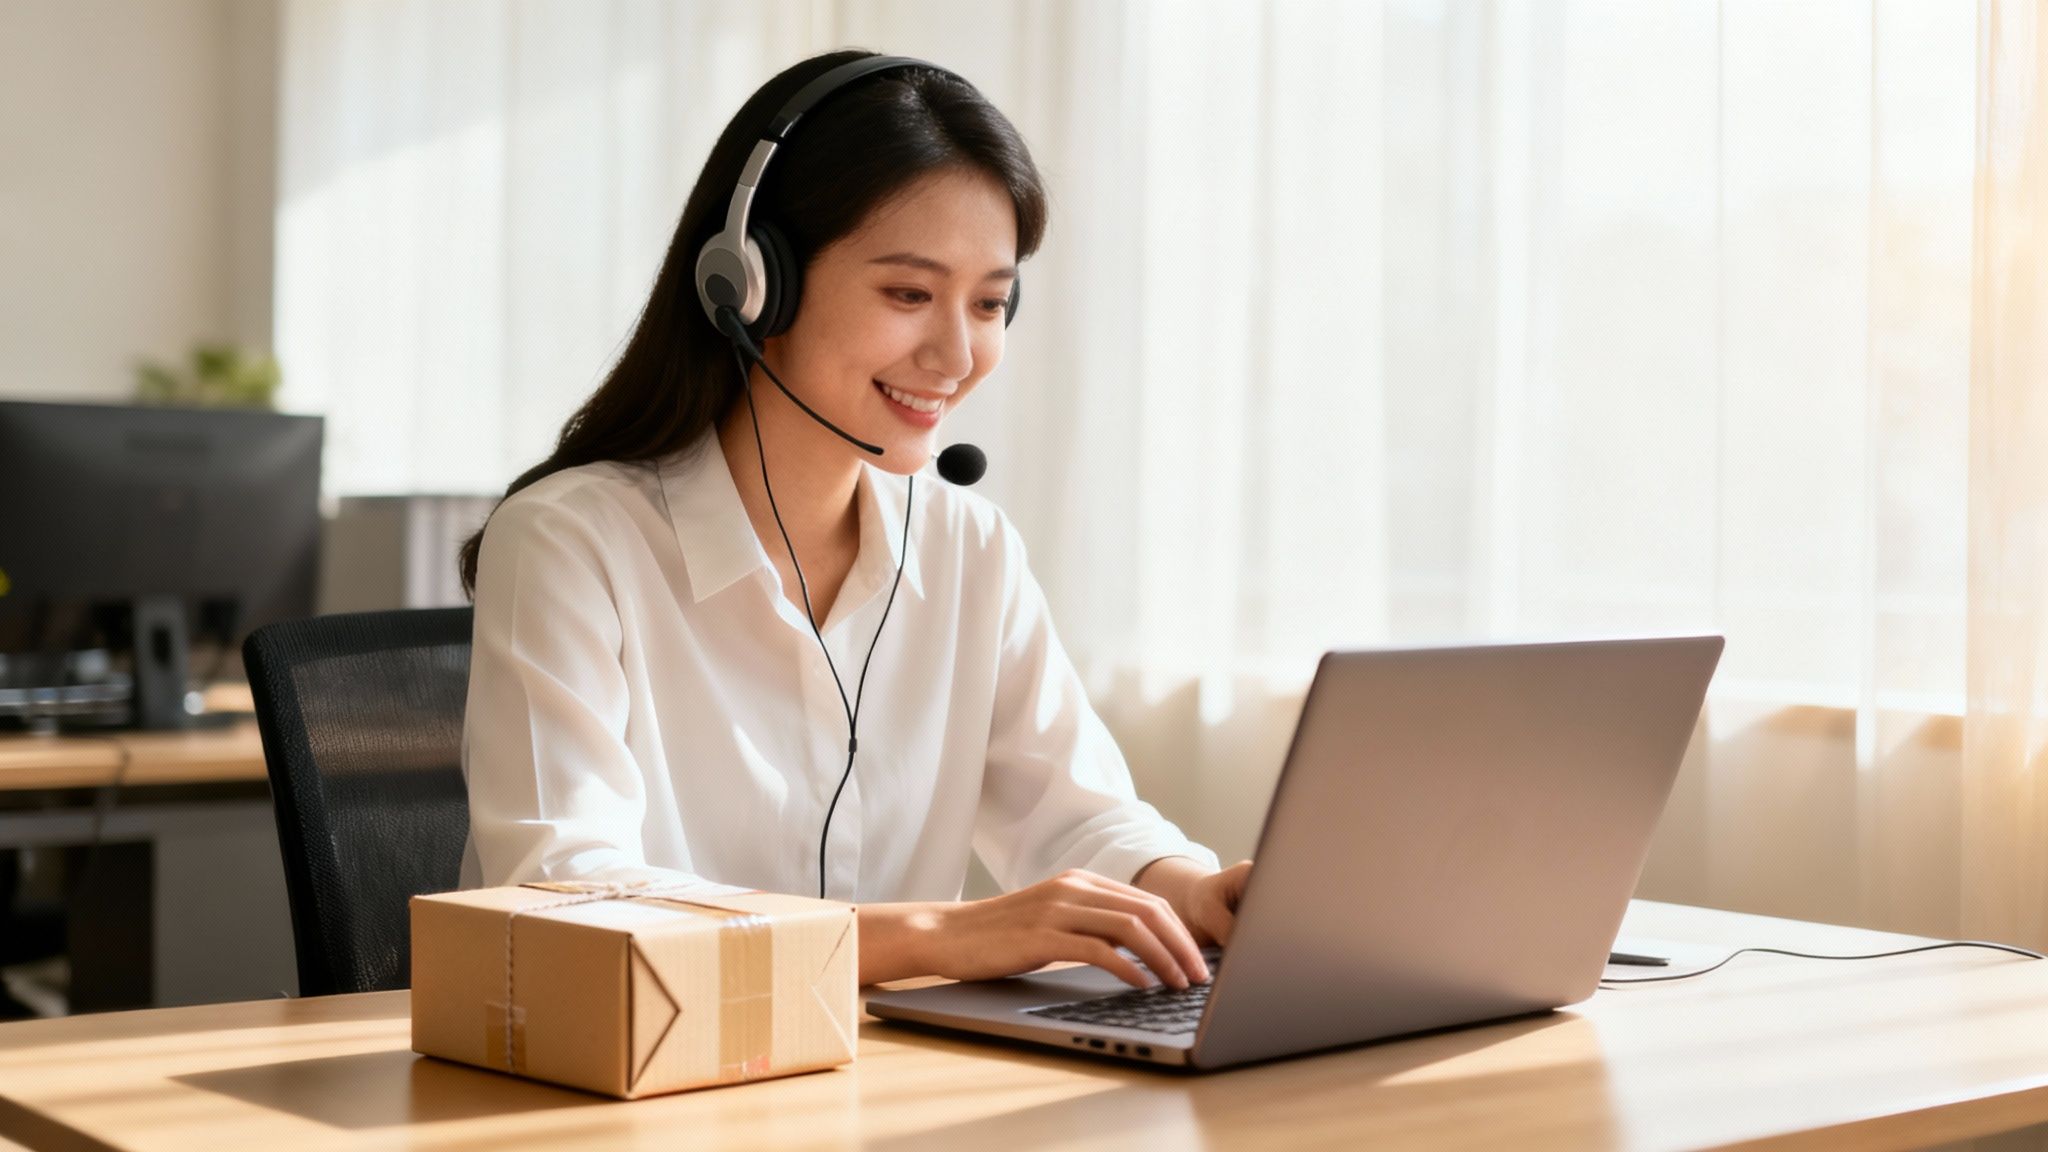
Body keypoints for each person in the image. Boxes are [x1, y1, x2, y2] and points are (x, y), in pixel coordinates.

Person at [456, 49, 1251, 992]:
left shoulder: (968, 547)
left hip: (883, 1072)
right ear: (752, 283)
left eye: (989, 304)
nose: (957, 353)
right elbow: (567, 897)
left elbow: (1077, 816)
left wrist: (1193, 891)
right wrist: (936, 935)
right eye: (909, 294)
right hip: (632, 1069)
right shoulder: (571, 543)